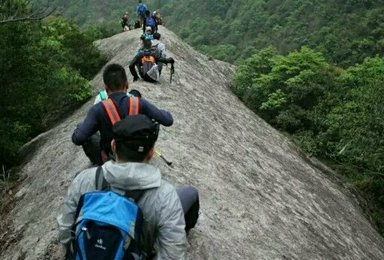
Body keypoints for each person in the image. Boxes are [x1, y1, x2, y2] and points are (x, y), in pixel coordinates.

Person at [58, 114, 200, 259]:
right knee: (190, 193)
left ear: (113, 146)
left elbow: (65, 230)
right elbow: (173, 255)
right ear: (151, 153)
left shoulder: (84, 178)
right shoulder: (165, 195)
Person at [72, 63, 173, 165]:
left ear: (106, 89)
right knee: (152, 121)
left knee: (84, 129)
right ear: (127, 84)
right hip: (138, 156)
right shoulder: (139, 103)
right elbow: (168, 120)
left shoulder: (98, 109)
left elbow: (78, 138)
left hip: (111, 158)